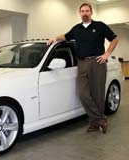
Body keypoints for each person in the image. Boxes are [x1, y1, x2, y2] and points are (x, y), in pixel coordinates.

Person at [48, 3, 118, 133]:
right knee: (82, 93)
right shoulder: (77, 29)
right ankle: (101, 119)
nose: (85, 13)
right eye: (82, 11)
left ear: (91, 13)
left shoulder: (99, 26)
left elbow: (114, 39)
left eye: (87, 11)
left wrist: (107, 53)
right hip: (82, 63)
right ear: (79, 13)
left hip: (97, 62)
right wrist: (55, 38)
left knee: (97, 94)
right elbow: (65, 36)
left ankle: (95, 123)